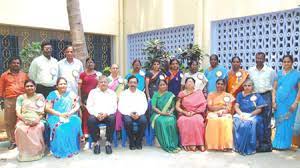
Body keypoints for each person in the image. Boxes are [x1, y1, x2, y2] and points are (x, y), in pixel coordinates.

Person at [45, 77, 83, 158]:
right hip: (55, 116)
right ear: (57, 86)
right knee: (60, 128)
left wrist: (70, 113)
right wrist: (59, 114)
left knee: (76, 121)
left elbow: (77, 105)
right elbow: (47, 108)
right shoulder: (52, 94)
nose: (63, 85)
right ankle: (60, 150)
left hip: (69, 115)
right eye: (61, 84)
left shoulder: (71, 94)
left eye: (64, 84)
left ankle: (72, 148)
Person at [248, 52, 275, 152]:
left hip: (266, 95)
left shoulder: (270, 71)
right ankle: (257, 143)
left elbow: (272, 85)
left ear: (264, 59)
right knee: (256, 119)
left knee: (266, 120)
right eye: (257, 58)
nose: (259, 60)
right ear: (255, 58)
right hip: (255, 96)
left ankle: (267, 144)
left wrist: (273, 100)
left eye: (261, 58)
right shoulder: (250, 70)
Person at [272, 55, 300, 150]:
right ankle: (277, 143)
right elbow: (274, 89)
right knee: (279, 122)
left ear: (292, 63)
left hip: (290, 103)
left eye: (288, 62)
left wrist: (295, 102)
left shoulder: (297, 74)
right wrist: (273, 101)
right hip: (279, 103)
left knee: (288, 123)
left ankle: (285, 144)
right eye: (284, 62)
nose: (286, 63)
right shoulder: (278, 74)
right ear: (282, 63)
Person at [0, 57, 28, 150]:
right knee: (10, 122)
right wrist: (2, 101)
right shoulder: (4, 75)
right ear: (9, 64)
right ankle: (12, 141)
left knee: (23, 120)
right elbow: (1, 89)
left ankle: (23, 140)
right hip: (10, 100)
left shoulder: (24, 75)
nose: (16, 64)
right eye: (14, 63)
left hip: (22, 100)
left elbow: (28, 87)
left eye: (18, 63)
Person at [15, 80, 46, 161]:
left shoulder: (40, 96)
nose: (29, 88)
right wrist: (24, 120)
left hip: (38, 119)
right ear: (24, 88)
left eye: (31, 86)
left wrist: (37, 120)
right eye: (27, 86)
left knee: (36, 129)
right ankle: (24, 153)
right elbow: (18, 112)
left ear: (35, 87)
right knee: (19, 129)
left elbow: (42, 112)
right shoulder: (20, 98)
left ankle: (37, 152)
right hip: (23, 119)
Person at [233, 79, 266, 155]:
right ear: (243, 86)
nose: (247, 87)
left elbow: (259, 109)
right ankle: (238, 147)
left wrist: (249, 115)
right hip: (241, 114)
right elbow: (236, 106)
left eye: (249, 85)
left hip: (253, 115)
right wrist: (241, 114)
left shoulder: (257, 96)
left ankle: (249, 148)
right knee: (237, 122)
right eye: (245, 85)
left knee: (248, 124)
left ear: (252, 86)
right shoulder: (239, 95)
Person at [86, 75, 117, 154]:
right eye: (101, 82)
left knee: (112, 119)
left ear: (108, 83)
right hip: (96, 115)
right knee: (90, 120)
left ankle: (108, 143)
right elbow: (89, 106)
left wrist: (106, 114)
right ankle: (96, 143)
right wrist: (96, 114)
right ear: (98, 83)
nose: (103, 83)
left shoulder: (112, 93)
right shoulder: (93, 92)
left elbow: (114, 107)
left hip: (107, 114)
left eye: (105, 82)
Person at [176, 77, 207, 151]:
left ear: (194, 84)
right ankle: (187, 144)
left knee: (198, 121)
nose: (189, 83)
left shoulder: (198, 92)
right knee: (182, 121)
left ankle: (200, 143)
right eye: (188, 82)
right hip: (184, 113)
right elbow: (177, 106)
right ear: (185, 84)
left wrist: (194, 112)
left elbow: (203, 105)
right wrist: (184, 112)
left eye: (191, 82)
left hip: (196, 113)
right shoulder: (181, 93)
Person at [118, 75, 148, 150]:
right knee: (128, 122)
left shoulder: (141, 94)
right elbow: (120, 106)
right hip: (127, 113)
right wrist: (129, 113)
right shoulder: (123, 94)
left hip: (139, 113)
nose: (133, 84)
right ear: (128, 83)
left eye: (134, 82)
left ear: (137, 84)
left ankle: (138, 140)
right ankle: (131, 141)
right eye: (131, 82)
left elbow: (144, 106)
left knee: (143, 121)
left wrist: (139, 114)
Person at [150, 80, 179, 153]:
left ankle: (173, 143)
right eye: (161, 85)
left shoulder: (170, 94)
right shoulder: (156, 94)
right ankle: (165, 143)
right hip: (158, 114)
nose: (162, 86)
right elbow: (153, 107)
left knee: (172, 120)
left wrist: (170, 112)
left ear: (166, 86)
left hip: (169, 114)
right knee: (161, 121)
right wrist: (162, 113)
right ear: (158, 86)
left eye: (164, 85)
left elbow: (173, 106)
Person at [205, 79, 235, 151]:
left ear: (225, 86)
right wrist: (221, 107)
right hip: (213, 113)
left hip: (225, 113)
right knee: (213, 120)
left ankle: (226, 145)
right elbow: (210, 107)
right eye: (218, 84)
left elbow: (229, 108)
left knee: (226, 120)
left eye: (222, 84)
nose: (220, 85)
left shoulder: (228, 95)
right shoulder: (211, 94)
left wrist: (223, 111)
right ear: (216, 85)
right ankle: (213, 145)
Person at [78, 58, 99, 137]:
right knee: (86, 115)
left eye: (92, 62)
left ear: (94, 64)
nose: (90, 64)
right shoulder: (82, 74)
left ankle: (95, 133)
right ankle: (85, 133)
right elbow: (79, 87)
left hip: (95, 98)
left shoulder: (98, 74)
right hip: (85, 98)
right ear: (86, 64)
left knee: (94, 114)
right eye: (88, 62)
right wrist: (80, 100)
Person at [107, 64, 125, 131]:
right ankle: (111, 130)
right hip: (109, 101)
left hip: (119, 101)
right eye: (113, 68)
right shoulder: (107, 79)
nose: (115, 70)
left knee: (120, 110)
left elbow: (123, 91)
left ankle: (118, 129)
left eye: (116, 68)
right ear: (110, 70)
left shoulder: (122, 80)